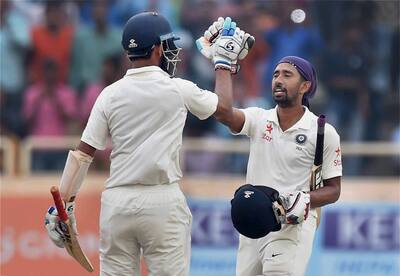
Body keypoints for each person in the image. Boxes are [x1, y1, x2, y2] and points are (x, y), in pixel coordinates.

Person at [44, 12, 252, 275]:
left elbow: (83, 154)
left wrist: (62, 205)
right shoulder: (178, 88)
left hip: (117, 203)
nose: (170, 52)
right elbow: (224, 110)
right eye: (168, 45)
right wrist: (223, 63)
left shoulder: (109, 94)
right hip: (161, 201)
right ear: (156, 48)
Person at [198, 25, 342, 275]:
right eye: (276, 74)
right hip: (253, 225)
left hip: (292, 225)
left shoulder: (323, 132)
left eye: (287, 75)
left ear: (305, 86)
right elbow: (224, 114)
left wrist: (304, 199)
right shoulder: (258, 118)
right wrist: (223, 66)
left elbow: (333, 190)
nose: (278, 79)